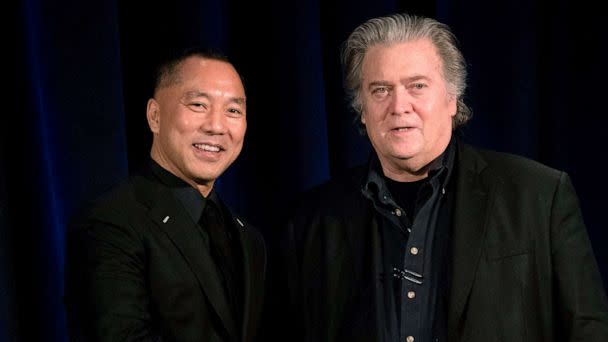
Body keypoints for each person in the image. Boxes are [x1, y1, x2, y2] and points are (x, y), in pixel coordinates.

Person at [279, 13, 608, 341]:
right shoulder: (312, 221)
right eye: (380, 90)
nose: (399, 105)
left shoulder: (539, 195)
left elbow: (588, 331)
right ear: (362, 109)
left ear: (452, 99)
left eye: (417, 86)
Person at [65, 47, 266, 342]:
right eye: (198, 105)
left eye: (233, 110)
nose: (216, 126)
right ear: (154, 116)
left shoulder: (250, 238)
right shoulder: (111, 222)